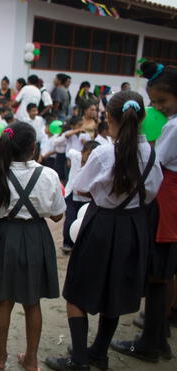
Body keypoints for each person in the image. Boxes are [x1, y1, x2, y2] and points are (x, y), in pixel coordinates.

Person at [45, 91, 163, 371]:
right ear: (143, 118)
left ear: (108, 118)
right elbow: (153, 191)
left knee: (77, 293)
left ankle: (79, 360)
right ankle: (99, 352)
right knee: (116, 292)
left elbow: (82, 187)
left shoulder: (103, 153)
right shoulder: (151, 155)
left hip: (101, 224)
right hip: (133, 228)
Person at [0, 122, 65, 371]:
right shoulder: (49, 175)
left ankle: (1, 357)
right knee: (32, 302)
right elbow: (58, 216)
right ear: (33, 147)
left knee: (3, 300)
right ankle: (31, 359)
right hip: (36, 237)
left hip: (6, 238)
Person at [110, 62, 177, 364]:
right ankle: (159, 337)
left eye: (162, 102)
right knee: (163, 273)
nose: (158, 108)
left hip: (166, 203)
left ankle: (150, 341)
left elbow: (155, 160)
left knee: (157, 275)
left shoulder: (173, 127)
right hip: (171, 200)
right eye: (154, 102)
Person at [61, 141, 100, 254]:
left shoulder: (95, 164)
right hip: (72, 196)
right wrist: (69, 162)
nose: (89, 158)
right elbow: (70, 152)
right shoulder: (76, 155)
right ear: (82, 152)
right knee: (69, 219)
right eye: (88, 154)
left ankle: (81, 245)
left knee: (85, 222)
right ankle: (67, 243)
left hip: (87, 198)